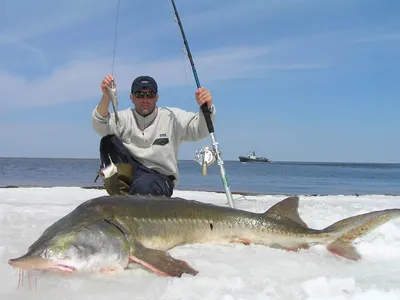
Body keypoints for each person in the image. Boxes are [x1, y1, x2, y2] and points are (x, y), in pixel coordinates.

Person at [91, 74, 216, 197]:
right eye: (140, 95)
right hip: (132, 172)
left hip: (160, 178)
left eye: (150, 95)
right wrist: (106, 97)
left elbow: (200, 129)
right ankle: (122, 198)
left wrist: (207, 106)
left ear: (156, 98)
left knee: (143, 187)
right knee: (108, 141)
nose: (145, 100)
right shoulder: (124, 118)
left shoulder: (172, 116)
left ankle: (132, 203)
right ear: (132, 98)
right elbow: (101, 125)